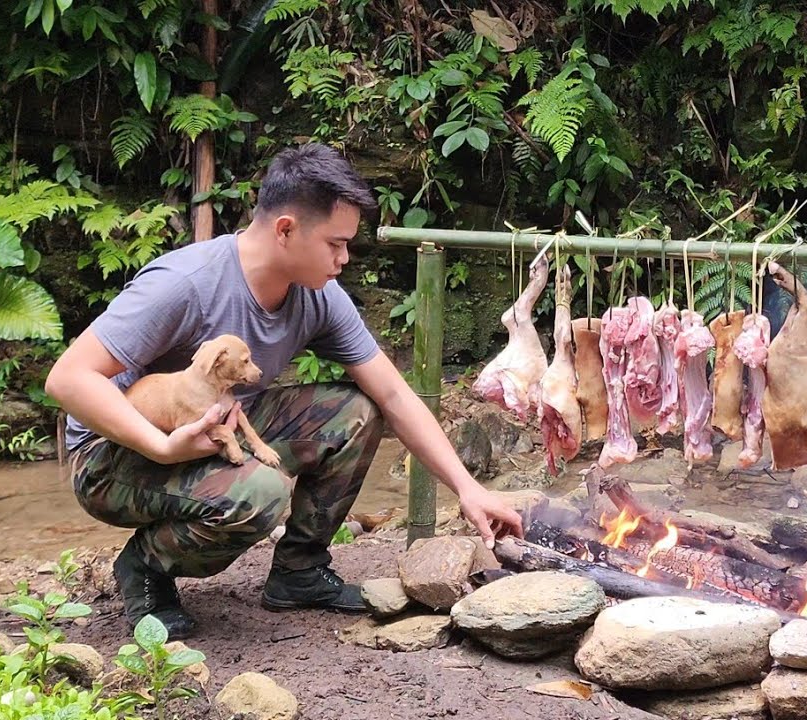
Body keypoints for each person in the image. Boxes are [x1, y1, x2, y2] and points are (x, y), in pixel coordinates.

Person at [45, 142, 524, 640]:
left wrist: (469, 489)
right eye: (335, 244)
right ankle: (145, 566)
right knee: (261, 492)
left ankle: (299, 571)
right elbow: (68, 378)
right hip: (112, 455)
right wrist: (162, 446)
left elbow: (395, 396)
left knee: (355, 412)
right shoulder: (185, 284)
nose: (344, 259)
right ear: (286, 229)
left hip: (218, 428)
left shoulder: (319, 296)